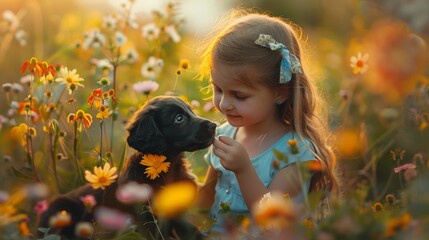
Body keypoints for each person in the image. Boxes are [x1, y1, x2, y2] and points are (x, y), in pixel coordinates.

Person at [196, 8, 338, 234]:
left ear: (280, 93)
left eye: (239, 95)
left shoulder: (295, 153)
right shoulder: (224, 134)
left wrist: (244, 169)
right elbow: (204, 200)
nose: (224, 104)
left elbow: (273, 222)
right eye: (218, 89)